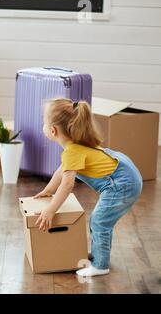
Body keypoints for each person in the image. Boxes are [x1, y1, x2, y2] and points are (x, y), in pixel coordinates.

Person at [34, 98, 142, 277]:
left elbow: (67, 184)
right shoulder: (75, 147)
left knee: (100, 221)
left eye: (44, 123)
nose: (43, 127)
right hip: (125, 176)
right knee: (100, 221)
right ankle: (100, 255)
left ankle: (101, 265)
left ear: (52, 130)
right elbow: (61, 172)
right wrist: (48, 191)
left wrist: (50, 210)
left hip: (122, 184)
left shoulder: (72, 151)